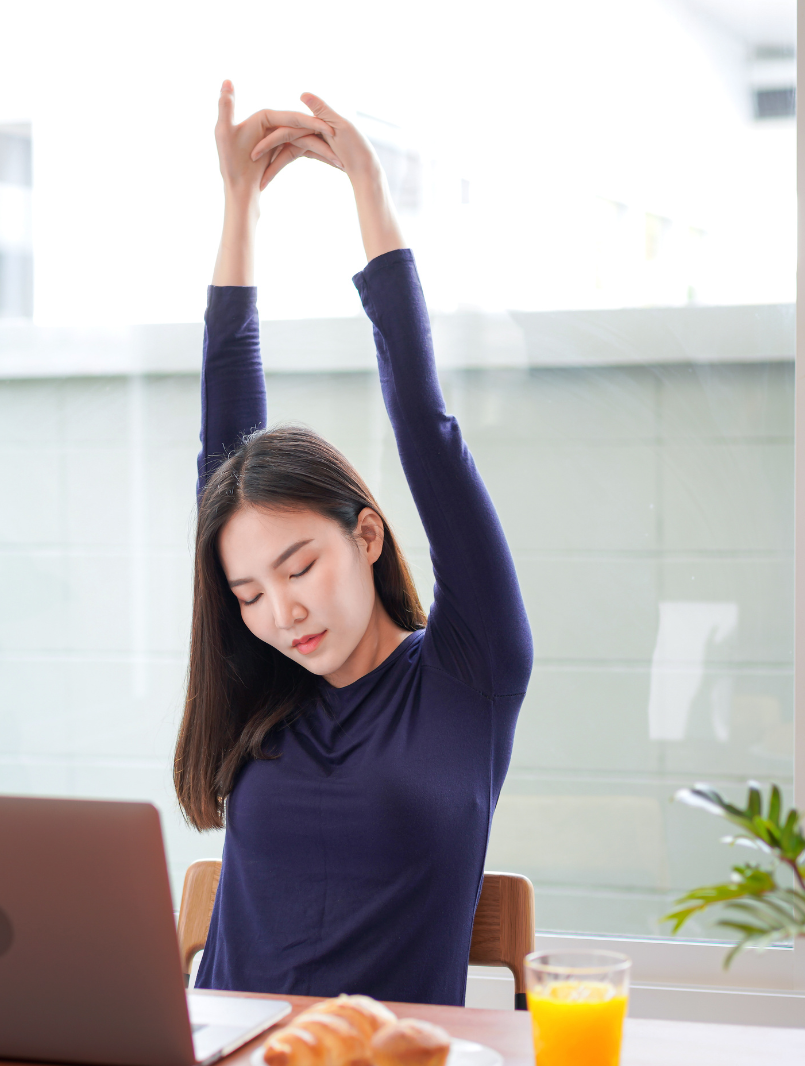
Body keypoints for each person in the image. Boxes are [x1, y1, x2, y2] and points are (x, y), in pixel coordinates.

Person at [173, 82, 534, 1005]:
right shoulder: (266, 688)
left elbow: (426, 427)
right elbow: (225, 440)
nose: (279, 612)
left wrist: (368, 189)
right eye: (249, 593)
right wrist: (237, 205)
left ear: (366, 534)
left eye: (299, 568)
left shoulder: (470, 672)